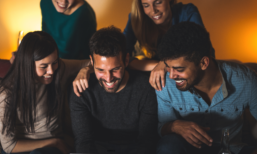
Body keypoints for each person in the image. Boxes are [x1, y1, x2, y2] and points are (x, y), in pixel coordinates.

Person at [155, 22, 257, 154]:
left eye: (179, 69)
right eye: (167, 67)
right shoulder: (165, 83)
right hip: (187, 153)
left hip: (232, 153)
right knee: (167, 147)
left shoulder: (246, 80)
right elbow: (160, 128)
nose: (171, 76)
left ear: (203, 62)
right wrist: (174, 125)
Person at [0, 31, 90, 154]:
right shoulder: (7, 93)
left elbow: (92, 62)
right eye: (43, 66)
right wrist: (55, 142)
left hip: (48, 152)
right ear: (27, 64)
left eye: (54, 62)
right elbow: (8, 145)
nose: (51, 71)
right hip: (19, 149)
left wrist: (85, 71)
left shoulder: (60, 69)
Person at [72, 0, 212, 96]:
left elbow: (201, 50)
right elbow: (119, 53)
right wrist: (88, 68)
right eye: (146, 5)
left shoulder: (188, 11)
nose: (153, 10)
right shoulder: (136, 18)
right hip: (157, 73)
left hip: (192, 70)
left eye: (158, 2)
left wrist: (165, 64)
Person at [69, 26, 158, 154]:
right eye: (101, 70)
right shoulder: (81, 90)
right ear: (91, 62)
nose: (109, 78)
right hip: (97, 153)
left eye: (115, 69)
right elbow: (83, 139)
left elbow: (146, 138)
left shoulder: (145, 88)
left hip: (134, 153)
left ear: (127, 60)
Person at [0, 0, 96, 79]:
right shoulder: (45, 3)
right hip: (42, 60)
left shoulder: (85, 15)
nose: (62, 1)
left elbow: (90, 57)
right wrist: (24, 53)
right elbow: (44, 38)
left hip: (65, 67)